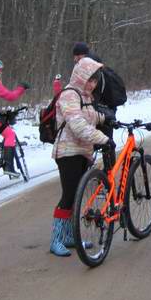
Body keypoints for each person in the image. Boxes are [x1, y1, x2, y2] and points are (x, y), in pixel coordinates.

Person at [49, 57, 114, 257]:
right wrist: (102, 139)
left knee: (77, 195)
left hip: (82, 152)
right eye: (89, 79)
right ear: (80, 76)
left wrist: (107, 118)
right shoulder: (69, 94)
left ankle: (69, 237)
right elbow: (77, 125)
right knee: (69, 196)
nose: (92, 84)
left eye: (95, 80)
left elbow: (90, 117)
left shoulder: (85, 97)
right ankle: (56, 240)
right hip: (68, 152)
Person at [53, 41, 122, 168]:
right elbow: (79, 122)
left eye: (77, 56)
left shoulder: (90, 69)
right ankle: (108, 174)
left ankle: (107, 175)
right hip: (99, 114)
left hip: (101, 110)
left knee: (104, 143)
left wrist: (101, 117)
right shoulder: (72, 93)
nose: (75, 60)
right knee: (105, 143)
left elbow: (89, 105)